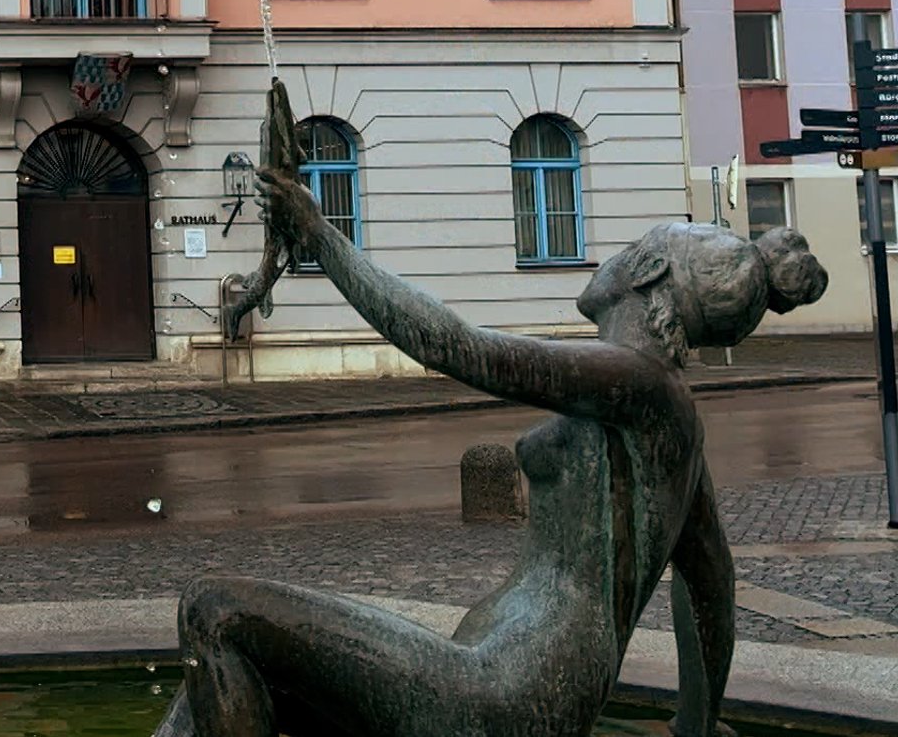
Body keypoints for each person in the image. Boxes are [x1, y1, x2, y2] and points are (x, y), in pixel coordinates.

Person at [156, 166, 828, 737]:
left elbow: (454, 344)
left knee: (215, 610)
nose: (610, 259)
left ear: (646, 270)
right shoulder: (670, 418)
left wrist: (322, 237)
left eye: (626, 249)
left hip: (506, 692)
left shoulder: (633, 378)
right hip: (512, 681)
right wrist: (695, 723)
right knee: (215, 675)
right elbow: (711, 585)